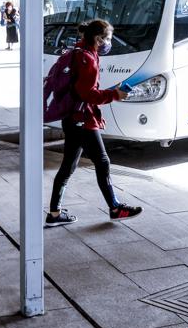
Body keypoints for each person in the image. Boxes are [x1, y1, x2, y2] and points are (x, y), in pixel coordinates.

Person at [45, 19, 142, 226]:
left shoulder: (78, 52)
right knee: (102, 162)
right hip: (83, 119)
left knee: (68, 166)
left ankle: (54, 213)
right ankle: (115, 208)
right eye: (107, 38)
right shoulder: (87, 59)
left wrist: (110, 92)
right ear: (98, 39)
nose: (108, 42)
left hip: (72, 118)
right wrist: (114, 94)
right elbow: (87, 93)